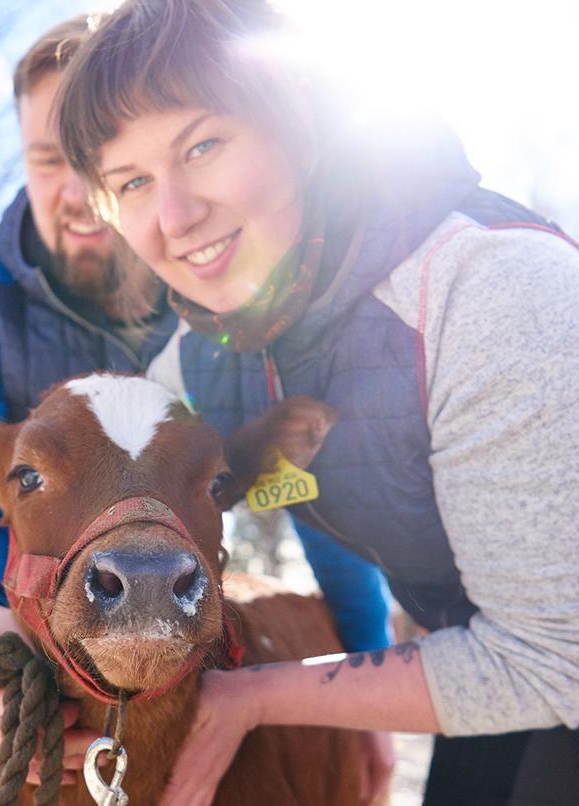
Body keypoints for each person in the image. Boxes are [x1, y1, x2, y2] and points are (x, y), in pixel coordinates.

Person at [54, 1, 579, 804]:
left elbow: (554, 658)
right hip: (499, 657)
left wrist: (256, 697)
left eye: (203, 145)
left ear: (298, 122)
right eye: (131, 182)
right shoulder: (198, 362)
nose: (175, 216)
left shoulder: (487, 292)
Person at [0, 13, 394, 804]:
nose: (75, 193)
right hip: (10, 603)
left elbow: (314, 497)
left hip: (183, 599)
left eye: (99, 167)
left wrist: (363, 676)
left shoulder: (211, 289)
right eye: (47, 160)